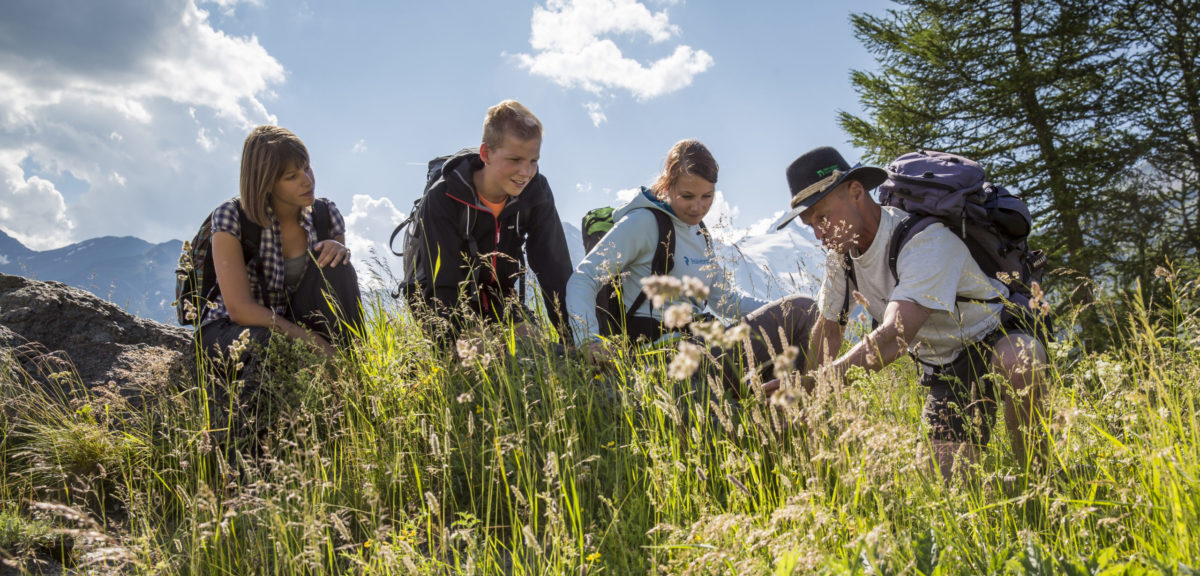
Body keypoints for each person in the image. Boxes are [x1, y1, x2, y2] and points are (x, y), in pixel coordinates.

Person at [770, 146, 1048, 481]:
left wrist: (816, 384)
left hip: (994, 337)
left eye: (822, 217)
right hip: (945, 369)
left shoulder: (923, 239)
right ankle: (1009, 491)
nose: (818, 233)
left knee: (1022, 360)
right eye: (810, 224)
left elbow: (895, 336)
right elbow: (828, 330)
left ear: (856, 192)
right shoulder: (840, 259)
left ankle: (1040, 479)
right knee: (946, 487)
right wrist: (805, 397)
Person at [566, 139, 817, 386]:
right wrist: (588, 341)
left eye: (707, 196)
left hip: (704, 346)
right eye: (687, 196)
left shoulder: (700, 233)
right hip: (664, 358)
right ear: (667, 185)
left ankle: (790, 409)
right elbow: (584, 277)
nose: (698, 208)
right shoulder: (643, 223)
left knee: (804, 312)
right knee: (802, 311)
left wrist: (781, 306)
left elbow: (729, 303)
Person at [198, 125, 363, 426]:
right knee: (267, 345)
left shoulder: (326, 216)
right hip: (233, 329)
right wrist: (310, 342)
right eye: (292, 176)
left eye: (307, 168)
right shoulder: (231, 217)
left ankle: (354, 381)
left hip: (295, 320)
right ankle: (247, 450)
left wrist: (337, 248)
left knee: (340, 267)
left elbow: (338, 296)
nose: (307, 181)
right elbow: (239, 308)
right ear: (266, 183)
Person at [404, 100, 571, 338]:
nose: (526, 172)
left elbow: (555, 268)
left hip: (498, 296)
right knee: (484, 359)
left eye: (533, 160)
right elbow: (442, 283)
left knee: (536, 351)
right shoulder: (443, 195)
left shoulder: (537, 191)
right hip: (439, 298)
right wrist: (462, 340)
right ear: (486, 153)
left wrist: (578, 340)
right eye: (515, 160)